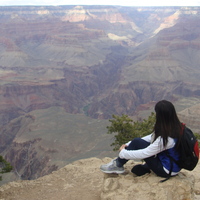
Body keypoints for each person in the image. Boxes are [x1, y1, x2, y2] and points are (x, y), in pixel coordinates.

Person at [100, 100, 182, 178]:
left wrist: (123, 153)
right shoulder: (175, 127)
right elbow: (151, 137)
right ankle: (120, 163)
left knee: (137, 144)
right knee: (136, 169)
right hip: (170, 163)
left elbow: (145, 153)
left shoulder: (167, 139)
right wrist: (129, 144)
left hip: (167, 170)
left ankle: (117, 164)